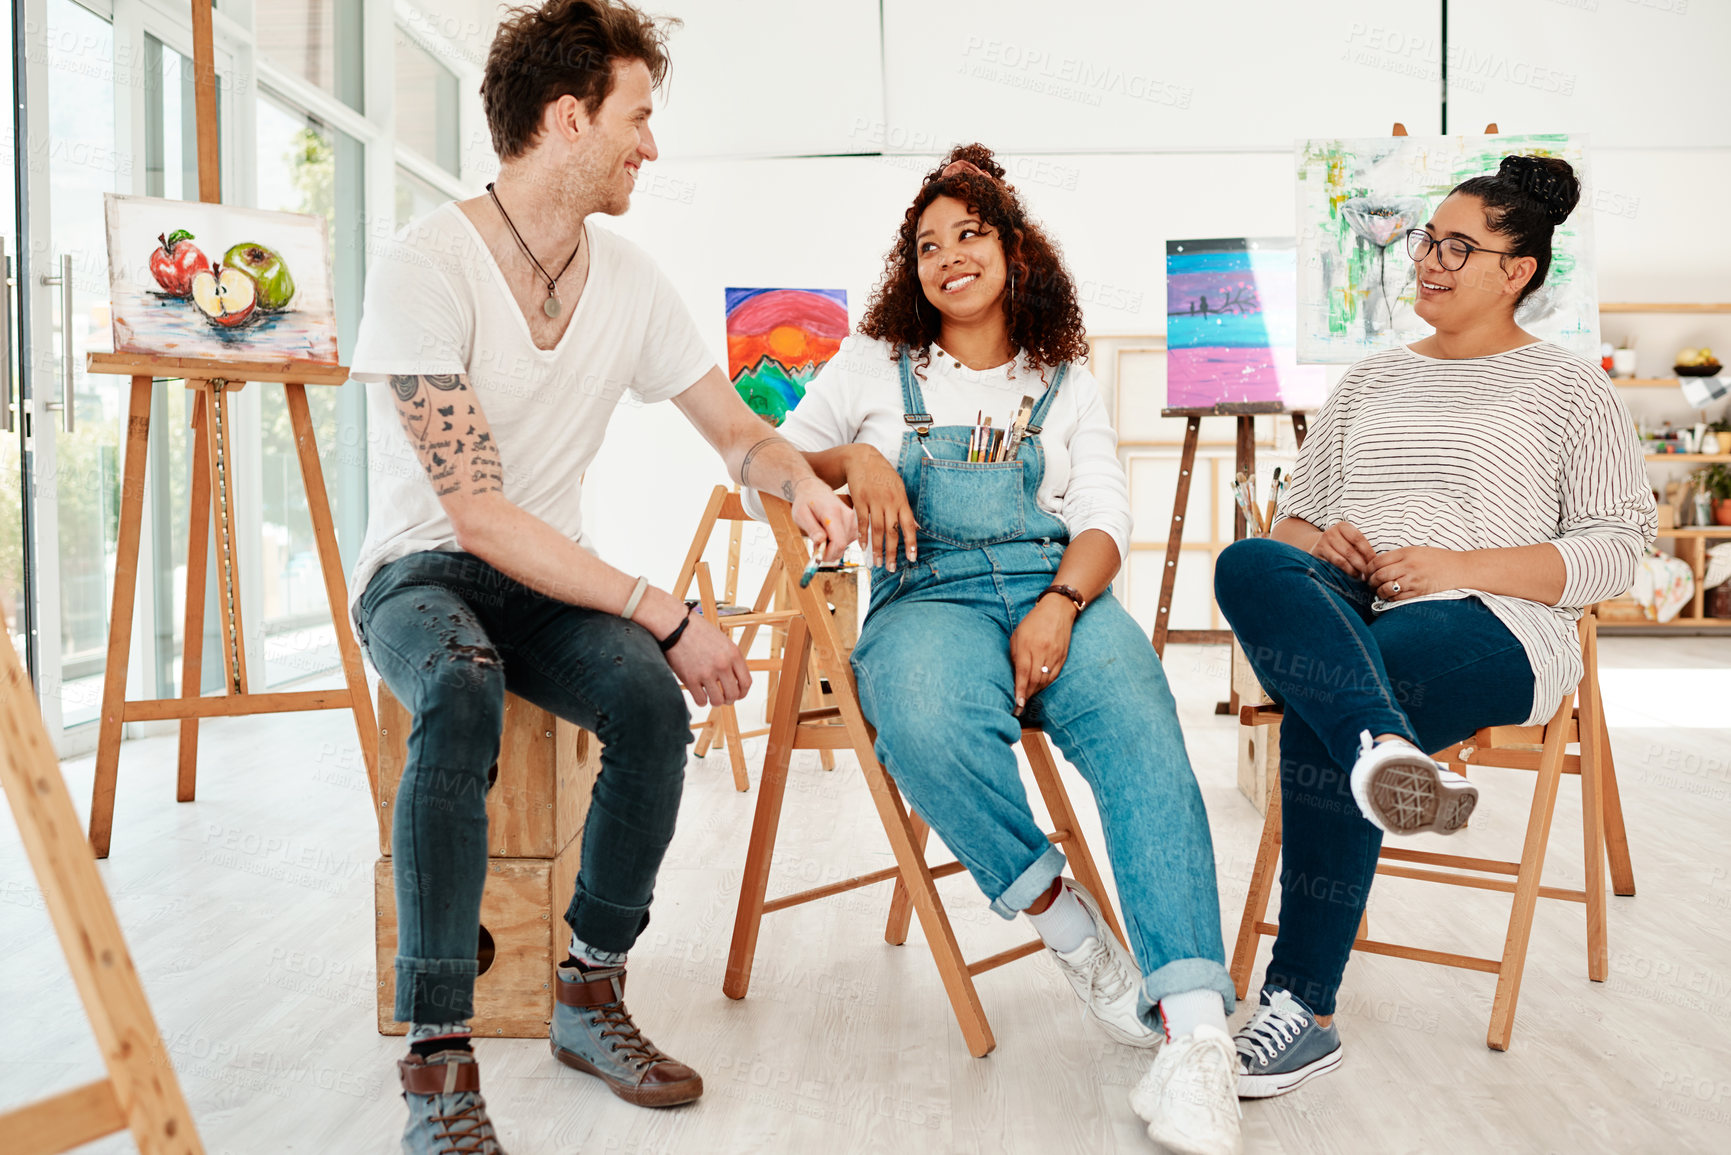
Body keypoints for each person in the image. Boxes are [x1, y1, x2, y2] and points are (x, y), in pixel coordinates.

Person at [346, 3, 855, 1152]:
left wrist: (794, 477)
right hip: (420, 576)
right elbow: (475, 517)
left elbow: (734, 432)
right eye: (638, 119)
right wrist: (666, 609)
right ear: (568, 118)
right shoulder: (426, 266)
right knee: (464, 684)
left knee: (644, 701)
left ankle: (590, 987)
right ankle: (438, 1062)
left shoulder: (628, 279)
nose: (651, 147)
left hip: (536, 584)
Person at [750, 144, 1242, 1155]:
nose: (948, 256)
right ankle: (1070, 928)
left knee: (1145, 731)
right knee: (924, 720)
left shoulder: (1062, 377)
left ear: (1015, 251)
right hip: (924, 596)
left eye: (969, 233)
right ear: (911, 269)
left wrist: (1062, 602)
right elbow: (765, 457)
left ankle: (1196, 1039)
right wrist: (855, 461)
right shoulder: (872, 363)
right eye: (928, 244)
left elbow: (1105, 515)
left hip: (1055, 589)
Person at [1213, 154, 1655, 1100]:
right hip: (1356, 612)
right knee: (1248, 561)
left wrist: (1454, 567)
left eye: (1461, 245)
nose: (1430, 260)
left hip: (1496, 625)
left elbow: (1617, 552)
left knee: (1323, 711)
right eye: (1427, 240)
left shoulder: (1571, 388)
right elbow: (1293, 526)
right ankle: (1383, 755)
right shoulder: (1367, 382)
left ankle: (1301, 1007)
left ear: (1518, 270)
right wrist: (1320, 544)